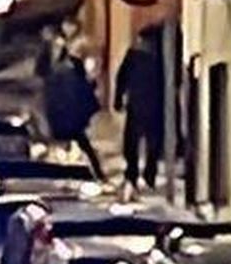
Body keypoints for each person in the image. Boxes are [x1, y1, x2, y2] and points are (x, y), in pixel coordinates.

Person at [38, 35, 104, 179]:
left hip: (66, 118)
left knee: (80, 147)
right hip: (68, 119)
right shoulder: (69, 71)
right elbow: (75, 96)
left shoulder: (66, 69)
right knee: (78, 147)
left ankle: (96, 174)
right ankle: (95, 175)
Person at [116, 25, 166, 190]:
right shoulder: (150, 57)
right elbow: (121, 78)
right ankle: (138, 173)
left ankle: (140, 173)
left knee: (143, 142)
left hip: (144, 103)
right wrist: (119, 98)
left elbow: (121, 78)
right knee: (142, 142)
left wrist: (119, 98)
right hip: (148, 103)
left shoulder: (142, 56)